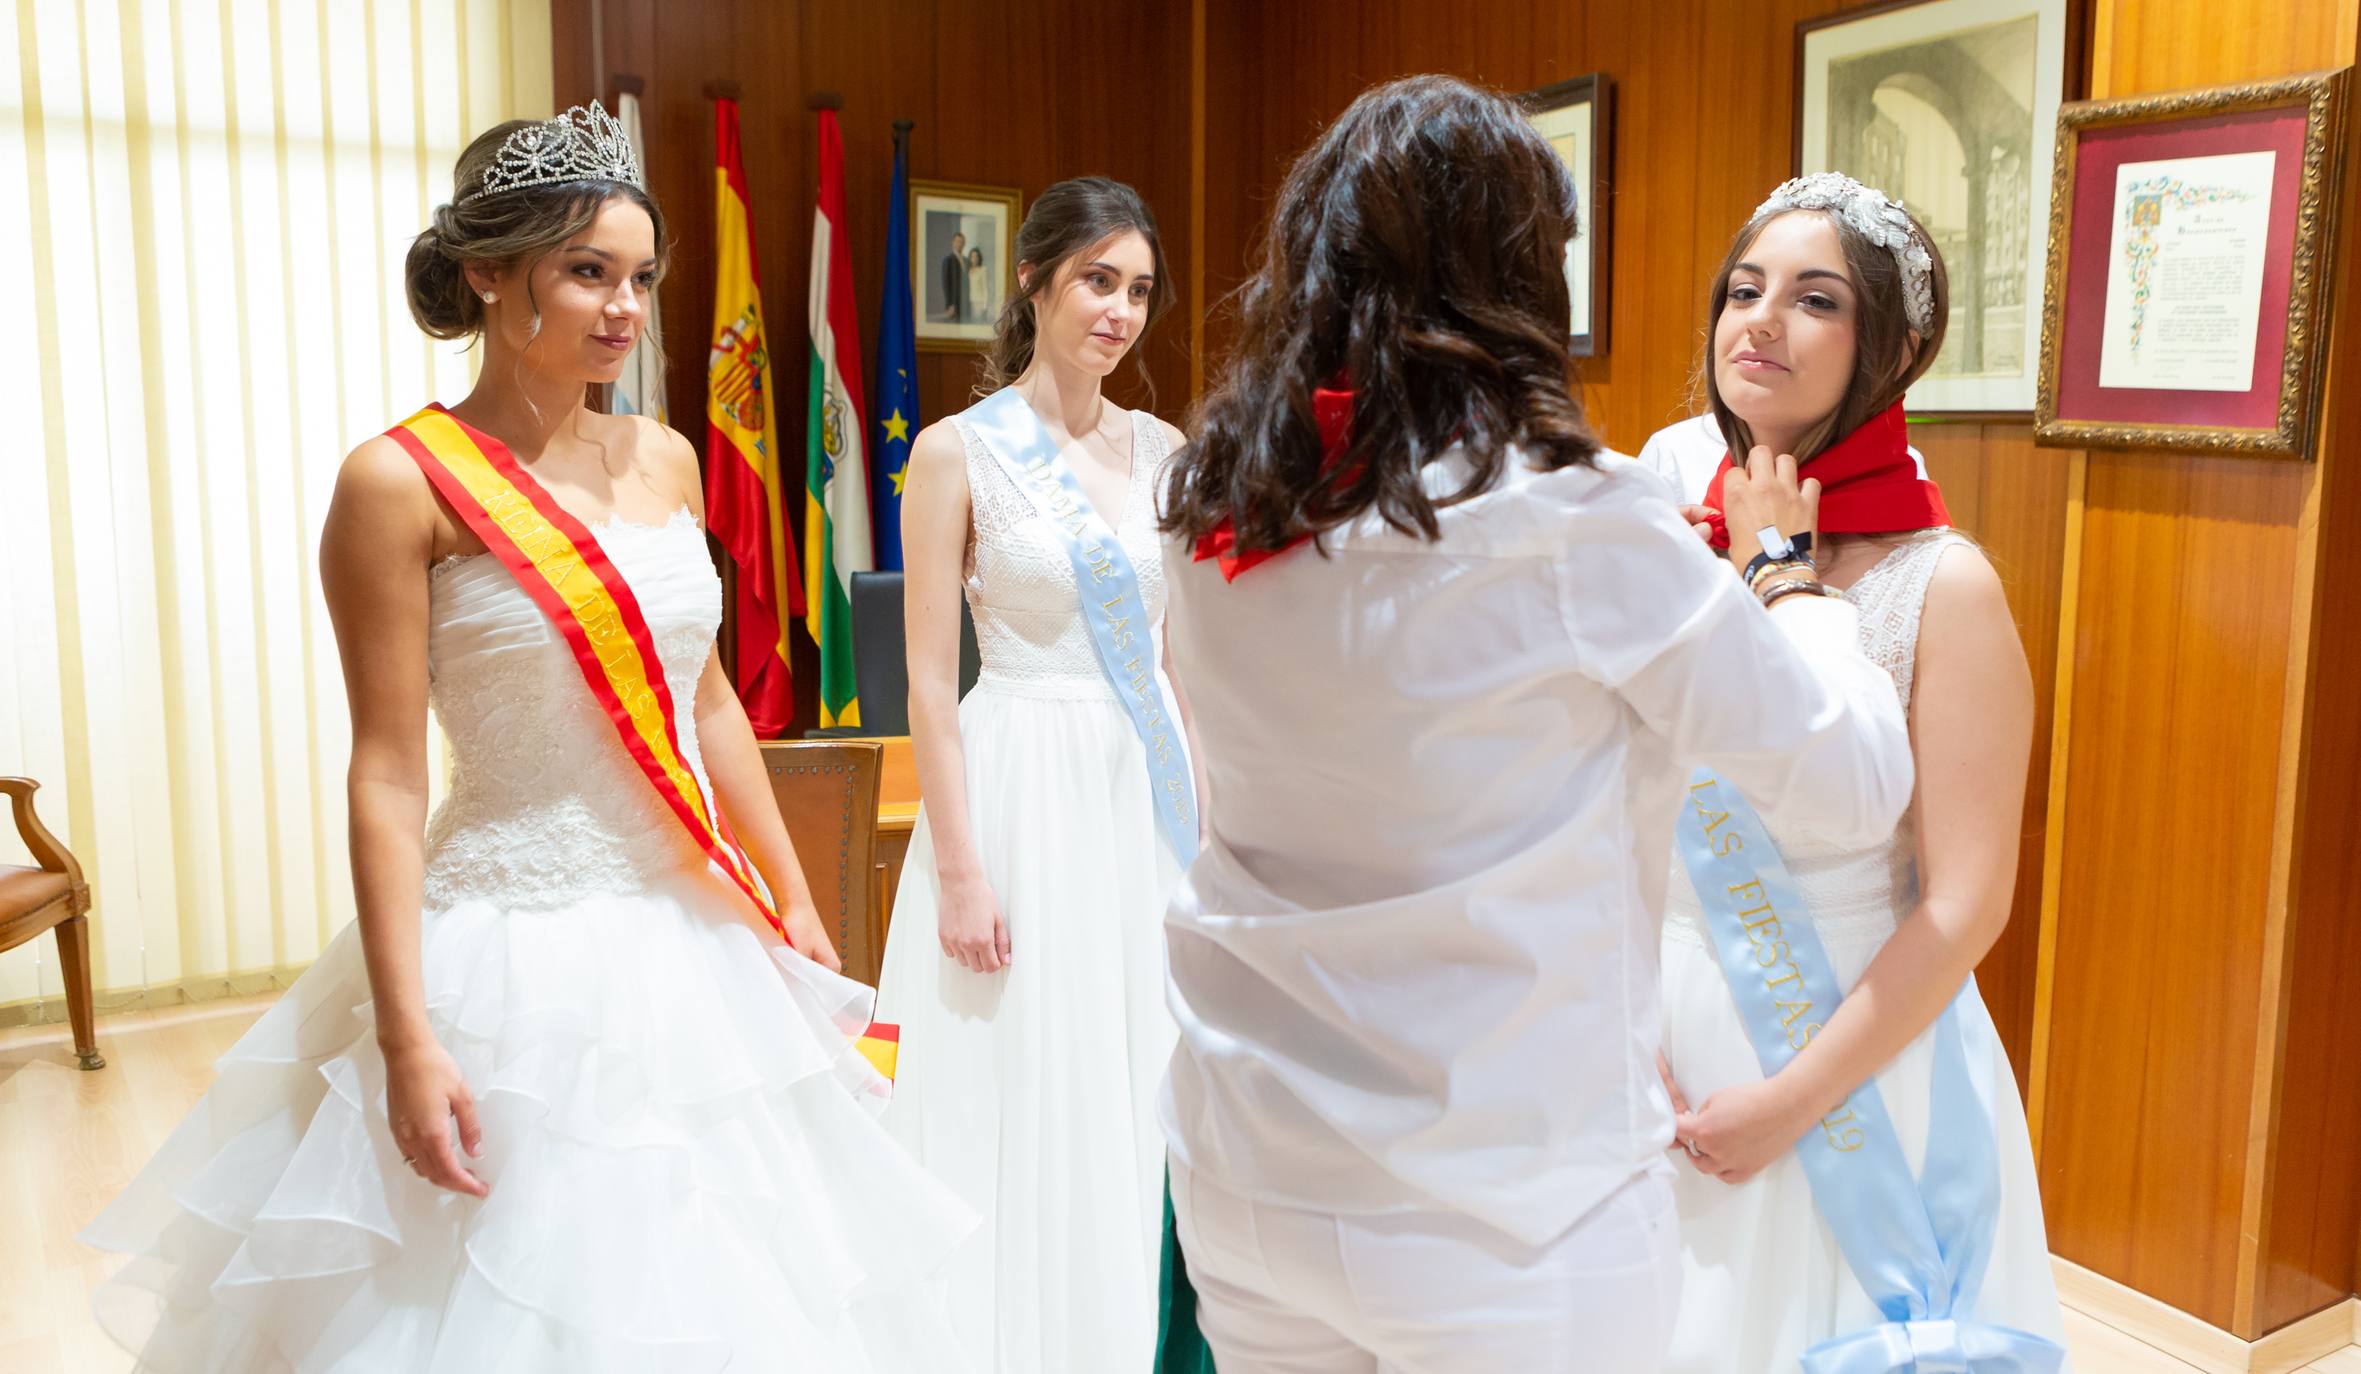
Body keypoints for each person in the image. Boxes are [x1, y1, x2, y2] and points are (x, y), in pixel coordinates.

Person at [76, 104, 974, 1372]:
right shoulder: (398, 483)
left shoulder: (664, 457)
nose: (624, 309)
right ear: (489, 274)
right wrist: (406, 1035)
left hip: (690, 934)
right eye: (587, 272)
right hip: (503, 949)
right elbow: (385, 775)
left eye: (641, 278)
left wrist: (789, 896)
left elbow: (706, 699)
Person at [1153, 76, 1916, 1373]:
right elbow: (1845, 779)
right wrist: (1784, 573)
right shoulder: (1569, 518)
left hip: (1248, 1164)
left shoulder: (1215, 500)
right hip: (1498, 1210)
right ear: (1515, 278)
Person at [1649, 173, 2068, 1372]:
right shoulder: (1668, 541)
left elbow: (1968, 901)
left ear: (1882, 347)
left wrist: (1792, 1102)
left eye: (1814, 299)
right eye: (1744, 289)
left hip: (1853, 1067)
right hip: (1652, 1041)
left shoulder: (1945, 585)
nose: (1761, 322)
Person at [871, 175, 1199, 1374]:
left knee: (1138, 1073)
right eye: (1097, 282)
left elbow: (1174, 659)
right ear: (1035, 281)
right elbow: (920, 685)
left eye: (1140, 290)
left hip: (1140, 796)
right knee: (1028, 1085)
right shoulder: (958, 452)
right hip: (1020, 787)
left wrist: (1209, 836)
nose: (1120, 312)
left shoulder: (1166, 450)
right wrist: (959, 869)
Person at [939, 228, 970, 322]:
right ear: (953, 243)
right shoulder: (948, 260)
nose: (959, 244)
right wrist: (950, 304)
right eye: (957, 241)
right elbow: (945, 284)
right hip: (954, 303)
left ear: (964, 244)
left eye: (961, 242)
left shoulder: (967, 261)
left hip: (965, 303)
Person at [967, 245, 993, 325]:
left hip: (979, 302)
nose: (974, 258)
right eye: (972, 256)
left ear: (979, 258)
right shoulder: (968, 270)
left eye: (976, 256)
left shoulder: (983, 270)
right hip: (968, 302)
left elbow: (985, 289)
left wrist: (985, 306)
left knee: (977, 325)